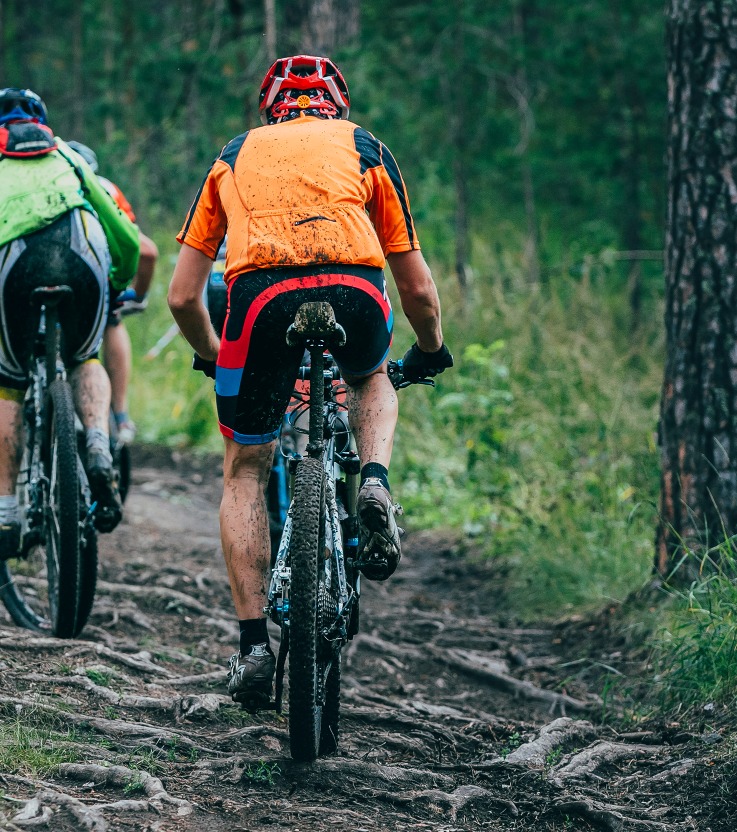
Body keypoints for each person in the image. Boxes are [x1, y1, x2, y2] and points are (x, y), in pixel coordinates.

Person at [168, 55, 452, 703]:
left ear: (269, 106)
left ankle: (251, 650)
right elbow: (415, 285)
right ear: (336, 103)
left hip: (259, 299)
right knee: (372, 376)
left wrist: (215, 355)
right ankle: (373, 483)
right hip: (354, 289)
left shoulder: (231, 155)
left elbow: (184, 296)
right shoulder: (365, 146)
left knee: (245, 466)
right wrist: (431, 349)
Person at [0, 88, 140, 558]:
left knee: (9, 383)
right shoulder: (67, 156)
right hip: (82, 255)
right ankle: (99, 442)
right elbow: (121, 230)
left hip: (12, 262)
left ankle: (5, 511)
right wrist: (117, 281)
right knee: (85, 354)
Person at [66, 141, 159, 444]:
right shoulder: (106, 189)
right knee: (112, 317)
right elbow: (145, 251)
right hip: (98, 283)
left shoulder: (47, 185)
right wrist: (136, 294)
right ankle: (120, 416)